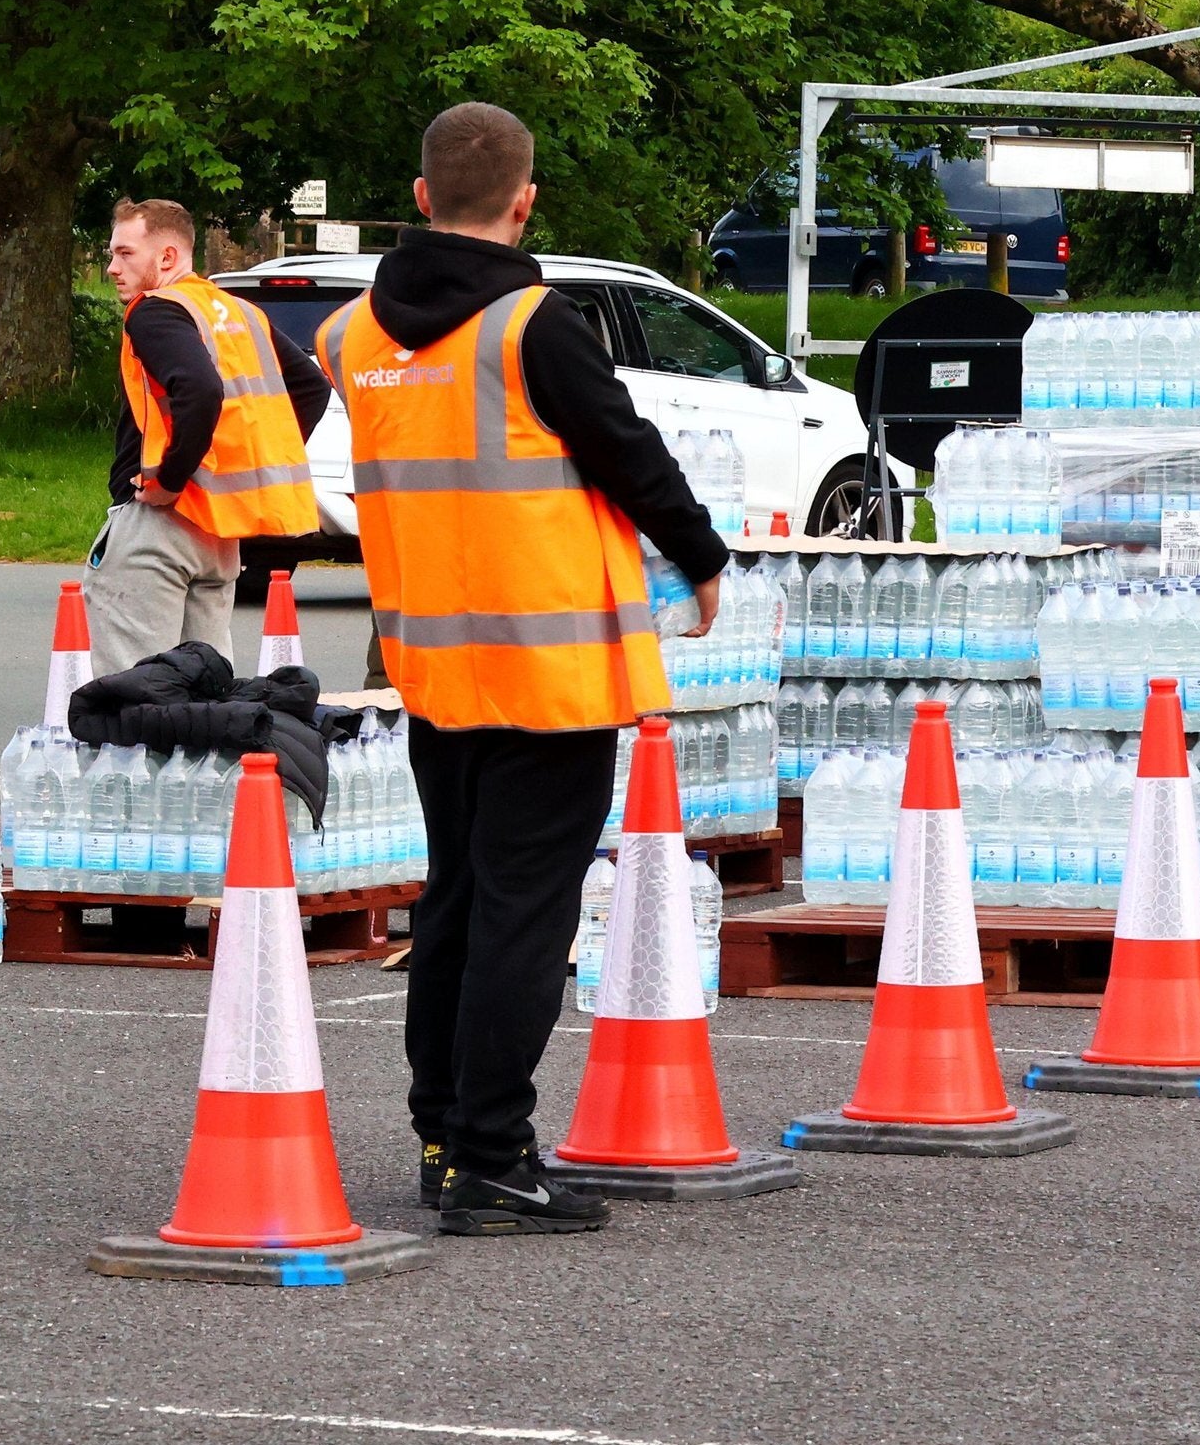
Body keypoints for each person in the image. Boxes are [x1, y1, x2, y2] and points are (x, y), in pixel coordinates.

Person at [320, 102, 727, 1236]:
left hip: (433, 666)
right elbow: (626, 449)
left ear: (416, 198)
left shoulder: (348, 338)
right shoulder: (531, 326)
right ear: (525, 201)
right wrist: (700, 559)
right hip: (547, 672)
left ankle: (445, 1136)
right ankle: (493, 1157)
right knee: (522, 918)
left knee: (452, 897)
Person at [89, 197, 330, 674]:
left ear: (167, 258)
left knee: (138, 690)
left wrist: (172, 479)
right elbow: (311, 386)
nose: (112, 267)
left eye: (125, 253)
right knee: (208, 688)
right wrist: (233, 465)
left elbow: (199, 390)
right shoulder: (239, 312)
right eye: (111, 254)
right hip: (219, 533)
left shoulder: (154, 310)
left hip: (159, 524)